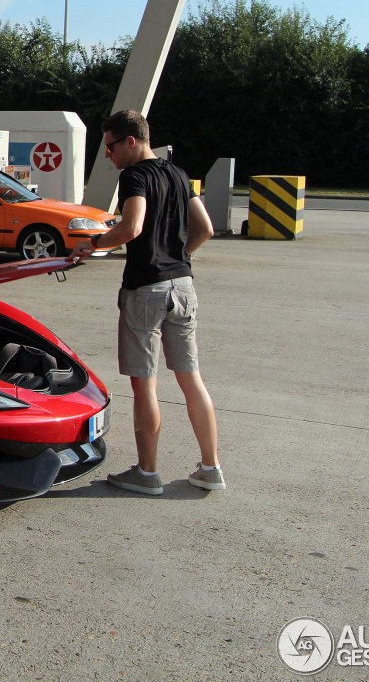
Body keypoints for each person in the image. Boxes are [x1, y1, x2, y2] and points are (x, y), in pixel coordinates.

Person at [72, 109, 224, 496]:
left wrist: (91, 246)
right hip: (183, 287)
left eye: (110, 147)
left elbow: (131, 226)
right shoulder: (177, 173)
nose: (108, 155)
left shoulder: (135, 176)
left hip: (146, 291)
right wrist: (177, 257)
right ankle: (210, 468)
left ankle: (147, 473)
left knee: (146, 387)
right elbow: (204, 228)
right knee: (192, 380)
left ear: (130, 142)